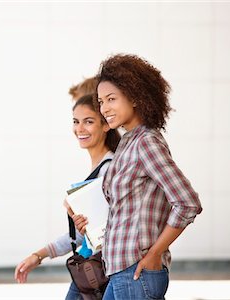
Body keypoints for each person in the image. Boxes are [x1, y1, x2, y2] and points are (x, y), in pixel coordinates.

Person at [74, 54, 203, 300]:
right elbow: (127, 210)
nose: (105, 108)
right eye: (101, 101)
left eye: (112, 99)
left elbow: (187, 202)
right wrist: (89, 223)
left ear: (134, 97)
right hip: (120, 269)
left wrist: (155, 252)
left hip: (137, 270)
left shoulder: (146, 141)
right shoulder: (127, 143)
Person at [14, 87, 120, 300]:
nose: (80, 128)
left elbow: (110, 230)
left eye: (88, 121)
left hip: (101, 269)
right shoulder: (98, 169)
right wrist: (39, 255)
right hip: (89, 267)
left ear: (106, 125)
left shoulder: (108, 170)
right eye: (75, 121)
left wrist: (85, 224)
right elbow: (80, 236)